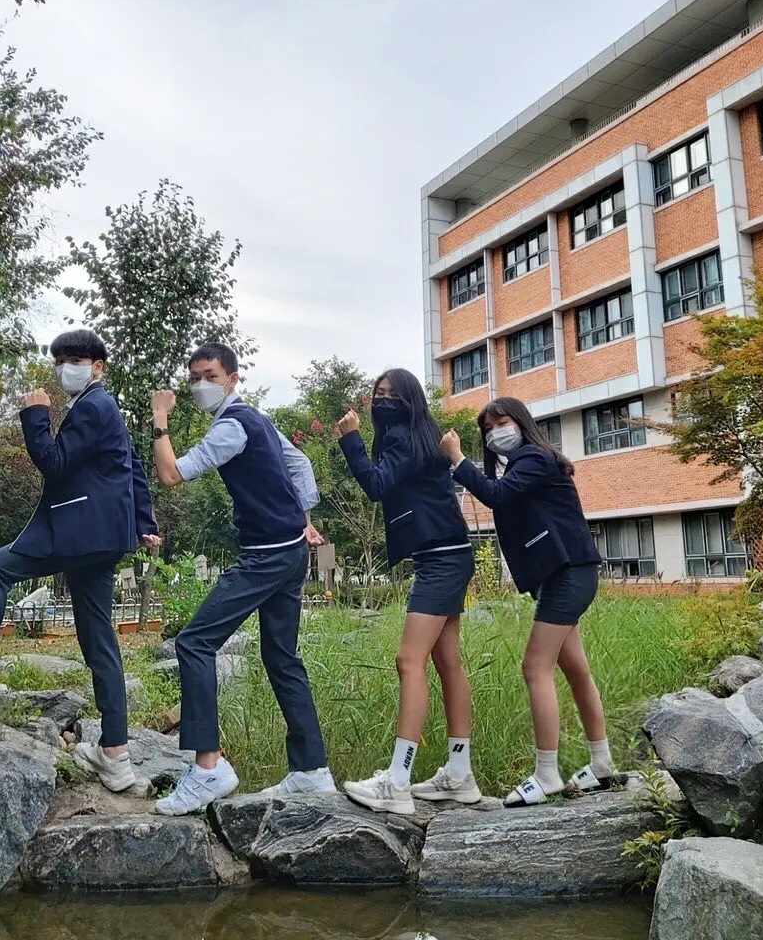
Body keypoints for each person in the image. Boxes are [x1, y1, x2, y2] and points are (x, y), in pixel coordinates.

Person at [0, 329, 160, 796]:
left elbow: (54, 463)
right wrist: (141, 522)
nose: (65, 368)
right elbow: (132, 465)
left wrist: (35, 414)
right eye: (60, 360)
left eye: (75, 359)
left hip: (80, 532)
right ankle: (115, 756)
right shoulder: (104, 407)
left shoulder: (94, 405)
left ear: (98, 366)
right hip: (105, 537)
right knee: (99, 638)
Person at [149, 341, 334, 815]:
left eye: (209, 375)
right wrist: (305, 518)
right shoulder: (259, 420)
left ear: (232, 378)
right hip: (291, 551)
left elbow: (171, 475)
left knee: (194, 643)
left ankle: (209, 768)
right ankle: (311, 772)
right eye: (194, 378)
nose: (200, 385)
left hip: (268, 555)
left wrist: (159, 419)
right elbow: (301, 463)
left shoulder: (233, 426)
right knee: (281, 657)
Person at [441, 396, 621, 807]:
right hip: (566, 573)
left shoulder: (534, 459)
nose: (494, 432)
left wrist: (457, 459)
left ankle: (546, 775)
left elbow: (496, 497)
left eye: (500, 422)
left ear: (520, 421)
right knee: (575, 668)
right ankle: (602, 763)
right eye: (487, 429)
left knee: (534, 666)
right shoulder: (530, 462)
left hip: (569, 574)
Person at [336, 368, 480, 817]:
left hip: (441, 559)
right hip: (448, 553)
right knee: (446, 661)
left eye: (392, 394)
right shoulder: (421, 436)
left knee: (409, 660)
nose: (383, 400)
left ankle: (397, 783)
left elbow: (377, 486)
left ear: (410, 399)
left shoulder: (400, 438)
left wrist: (350, 440)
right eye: (378, 393)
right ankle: (460, 776)